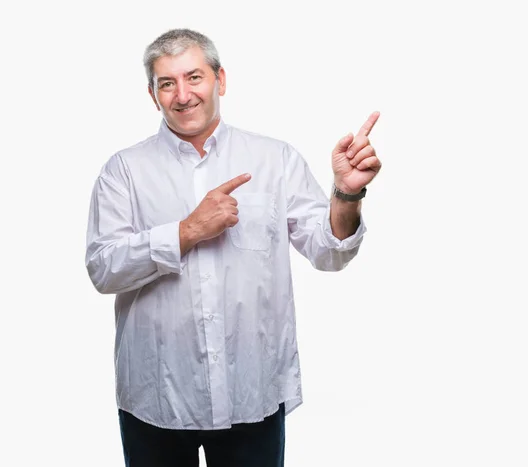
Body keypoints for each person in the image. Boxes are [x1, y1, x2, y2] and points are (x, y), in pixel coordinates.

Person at [85, 28, 382, 467]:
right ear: (153, 95)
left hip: (252, 392)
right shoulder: (123, 171)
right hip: (158, 398)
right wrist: (186, 231)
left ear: (220, 80)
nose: (183, 95)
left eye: (194, 77)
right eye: (167, 83)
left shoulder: (273, 159)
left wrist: (346, 195)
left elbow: (330, 250)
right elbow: (103, 269)